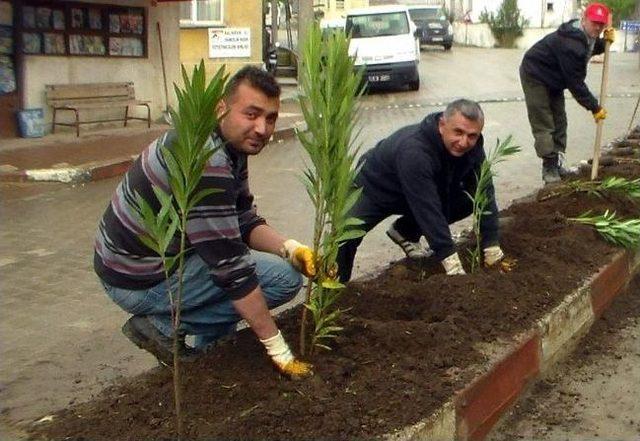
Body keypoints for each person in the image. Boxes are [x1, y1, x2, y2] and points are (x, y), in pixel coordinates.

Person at [94, 66, 314, 379]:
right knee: (282, 280)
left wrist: (290, 249)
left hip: (134, 262)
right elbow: (232, 269)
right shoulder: (205, 161)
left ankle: (213, 355)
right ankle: (157, 327)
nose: (262, 128)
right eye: (251, 114)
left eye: (270, 118)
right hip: (137, 277)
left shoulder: (221, 143)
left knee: (241, 273)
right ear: (220, 107)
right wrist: (278, 349)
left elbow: (241, 218)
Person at [336, 99, 505, 282]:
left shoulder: (473, 149)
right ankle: (334, 289)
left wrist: (491, 244)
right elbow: (427, 209)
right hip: (374, 188)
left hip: (421, 189)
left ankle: (405, 231)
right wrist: (451, 262)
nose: (463, 142)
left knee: (469, 198)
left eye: (472, 135)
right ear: (442, 125)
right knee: (345, 235)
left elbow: (485, 192)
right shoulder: (415, 151)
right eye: (458, 132)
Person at [519, 2, 615, 184]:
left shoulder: (584, 35)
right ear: (584, 19)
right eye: (594, 22)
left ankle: (557, 163)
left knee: (560, 121)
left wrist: (605, 43)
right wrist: (595, 108)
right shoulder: (571, 43)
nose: (598, 27)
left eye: (601, 24)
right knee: (544, 122)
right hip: (535, 74)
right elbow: (576, 84)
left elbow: (589, 48)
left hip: (554, 78)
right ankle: (549, 167)